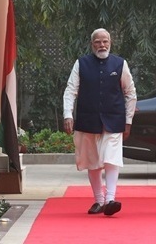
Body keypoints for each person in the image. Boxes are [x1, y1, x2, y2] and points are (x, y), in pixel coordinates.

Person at [63, 28, 137, 217]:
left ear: (110, 43)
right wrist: (67, 115)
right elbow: (71, 90)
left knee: (112, 159)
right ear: (92, 44)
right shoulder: (81, 64)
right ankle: (99, 201)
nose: (102, 45)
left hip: (113, 120)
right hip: (88, 120)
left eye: (105, 41)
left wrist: (128, 120)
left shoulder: (120, 64)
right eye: (98, 42)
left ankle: (111, 199)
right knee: (93, 162)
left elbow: (130, 93)